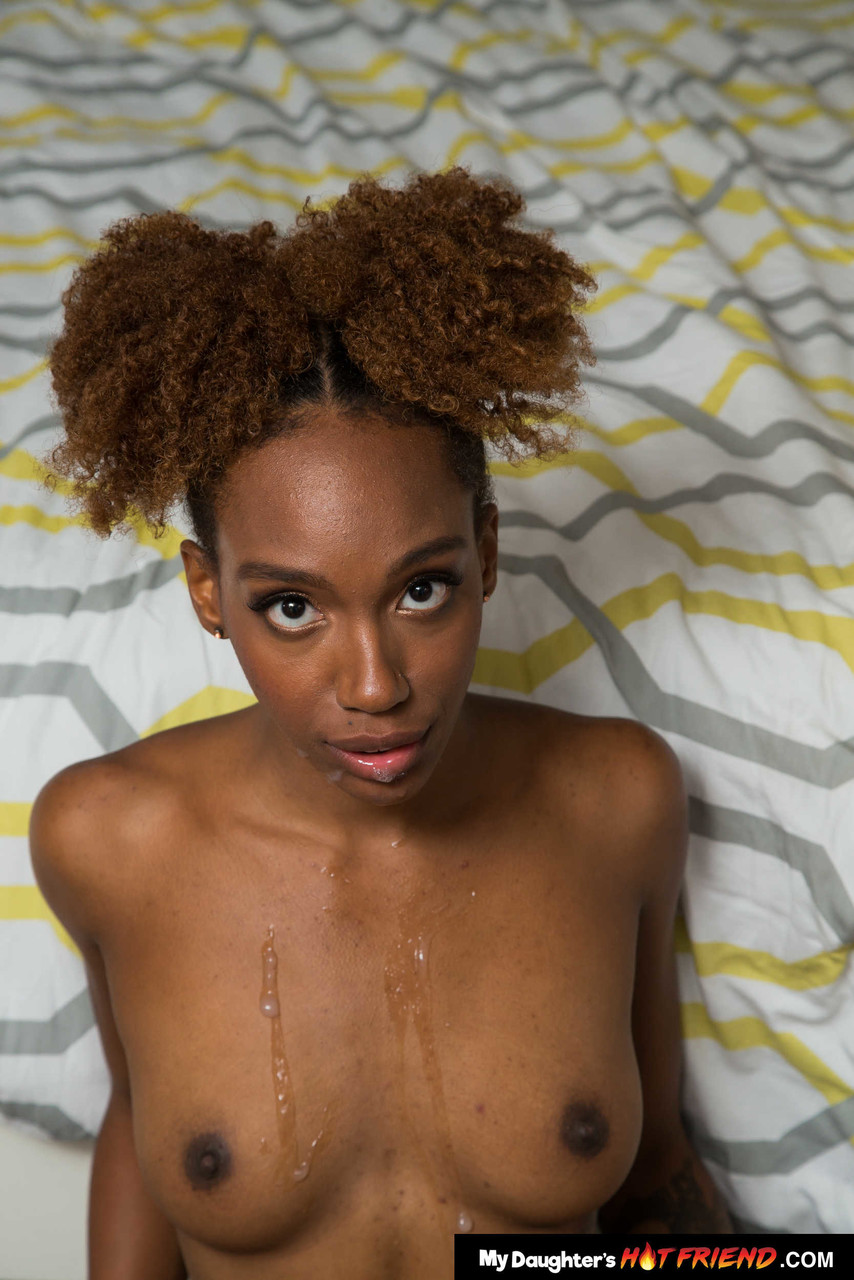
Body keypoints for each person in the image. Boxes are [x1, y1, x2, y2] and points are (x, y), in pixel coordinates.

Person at [29, 166, 732, 1280]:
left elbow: (655, 1172)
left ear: (485, 554)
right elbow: (142, 1118)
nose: (372, 686)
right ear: (208, 592)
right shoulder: (109, 837)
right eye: (291, 607)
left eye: (420, 589)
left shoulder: (615, 799)